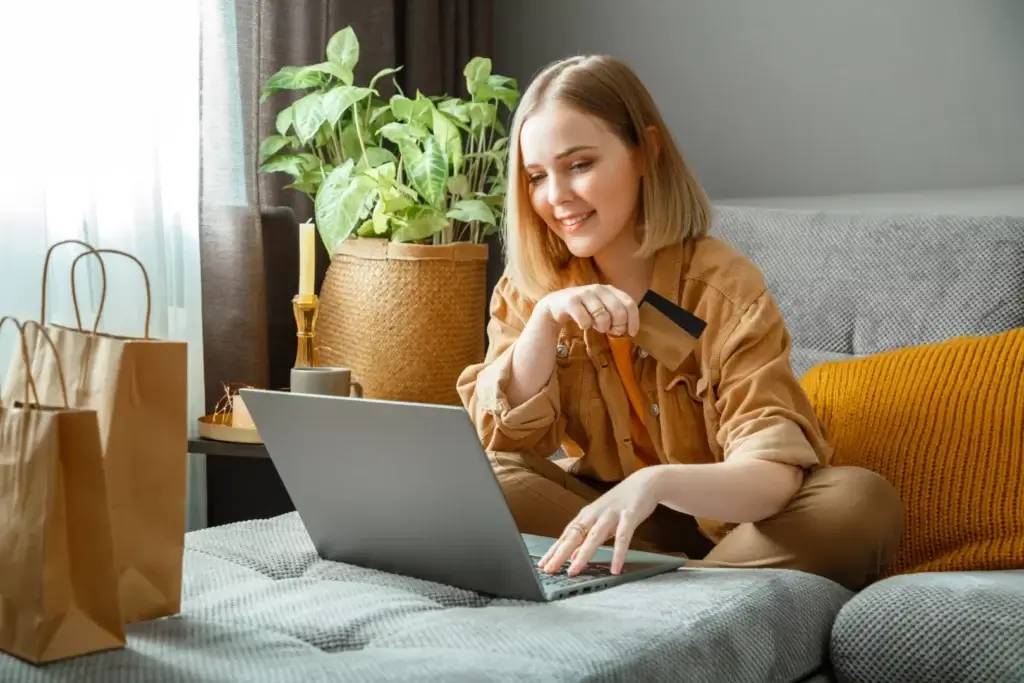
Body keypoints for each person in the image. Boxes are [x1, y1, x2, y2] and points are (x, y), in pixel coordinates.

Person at [455, 55, 903, 592]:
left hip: (737, 526)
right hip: (611, 518)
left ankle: (666, 589)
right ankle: (683, 588)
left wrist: (656, 483)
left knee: (858, 500)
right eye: (536, 176)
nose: (556, 197)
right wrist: (546, 322)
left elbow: (774, 473)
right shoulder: (531, 289)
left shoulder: (722, 289)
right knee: (482, 481)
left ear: (645, 152)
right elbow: (502, 438)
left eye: (579, 165)